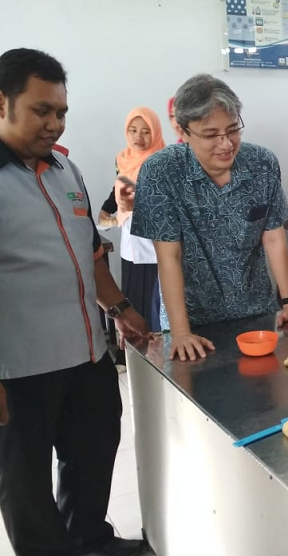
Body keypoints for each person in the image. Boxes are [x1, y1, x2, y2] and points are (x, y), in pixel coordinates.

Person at [0, 47, 150, 556]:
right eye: (42, 111)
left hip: (86, 357)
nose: (55, 124)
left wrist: (123, 310)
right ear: (2, 104)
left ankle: (90, 540)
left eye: (61, 112)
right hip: (18, 368)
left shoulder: (67, 172)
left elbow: (91, 257)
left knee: (93, 451)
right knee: (24, 483)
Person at [131, 74, 288, 362]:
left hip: (257, 312)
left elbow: (274, 237)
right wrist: (180, 333)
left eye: (233, 130)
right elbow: (169, 256)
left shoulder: (261, 164)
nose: (226, 144)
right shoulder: (161, 172)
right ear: (184, 130)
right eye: (211, 134)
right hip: (192, 321)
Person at [113, 107, 165, 331]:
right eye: (133, 130)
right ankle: (134, 356)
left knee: (154, 308)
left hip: (156, 247)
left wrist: (139, 204)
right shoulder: (123, 160)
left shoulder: (163, 162)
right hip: (130, 243)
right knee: (132, 301)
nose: (138, 137)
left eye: (145, 131)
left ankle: (157, 357)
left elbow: (168, 203)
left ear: (155, 133)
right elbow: (116, 195)